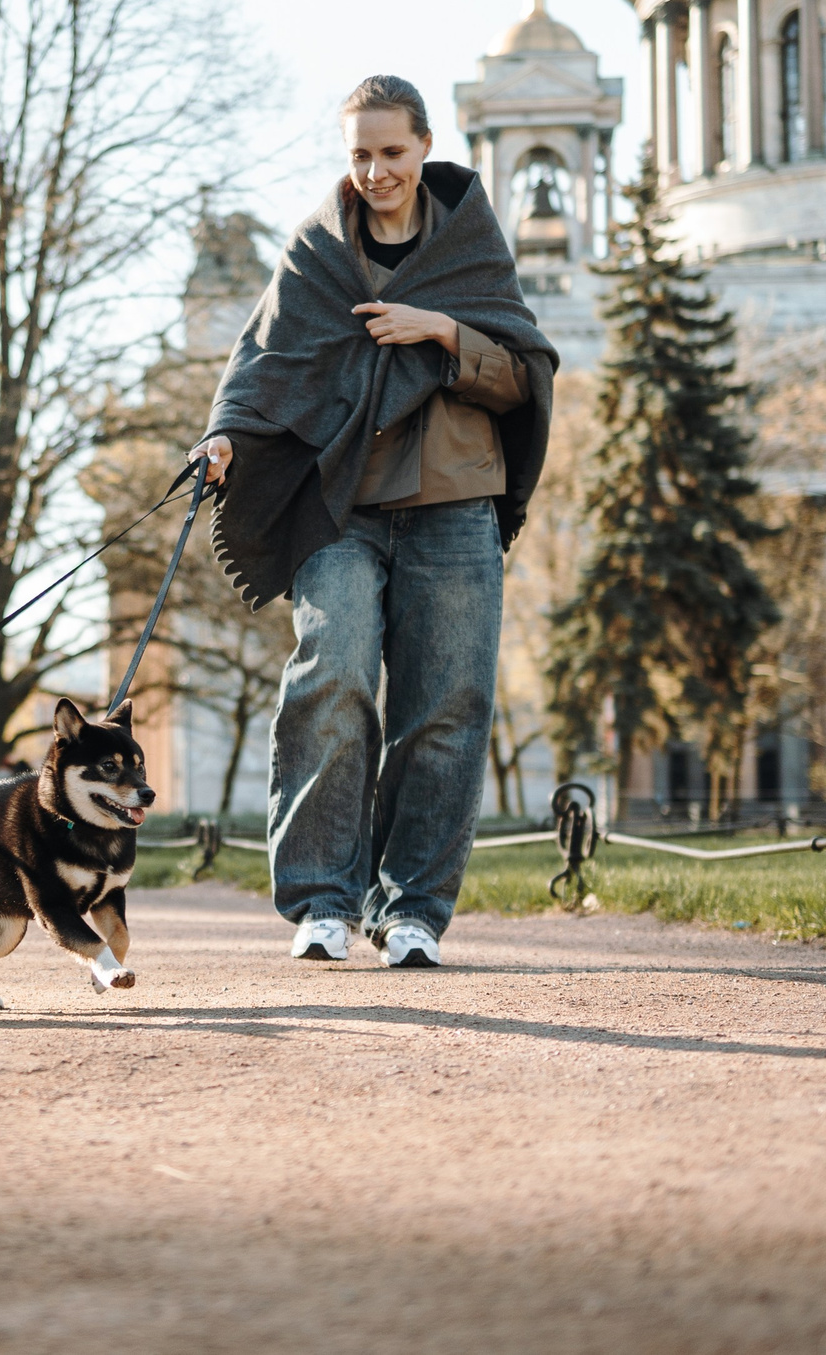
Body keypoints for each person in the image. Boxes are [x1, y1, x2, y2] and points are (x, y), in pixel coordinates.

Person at [191, 75, 557, 968]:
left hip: (454, 508)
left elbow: (525, 374)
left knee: (445, 707)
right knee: (332, 676)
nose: (377, 170)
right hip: (342, 506)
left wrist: (442, 331)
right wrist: (224, 436)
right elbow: (263, 361)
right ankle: (323, 900)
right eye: (361, 153)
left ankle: (413, 910)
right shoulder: (318, 249)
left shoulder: (471, 245)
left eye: (393, 151)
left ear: (425, 145)